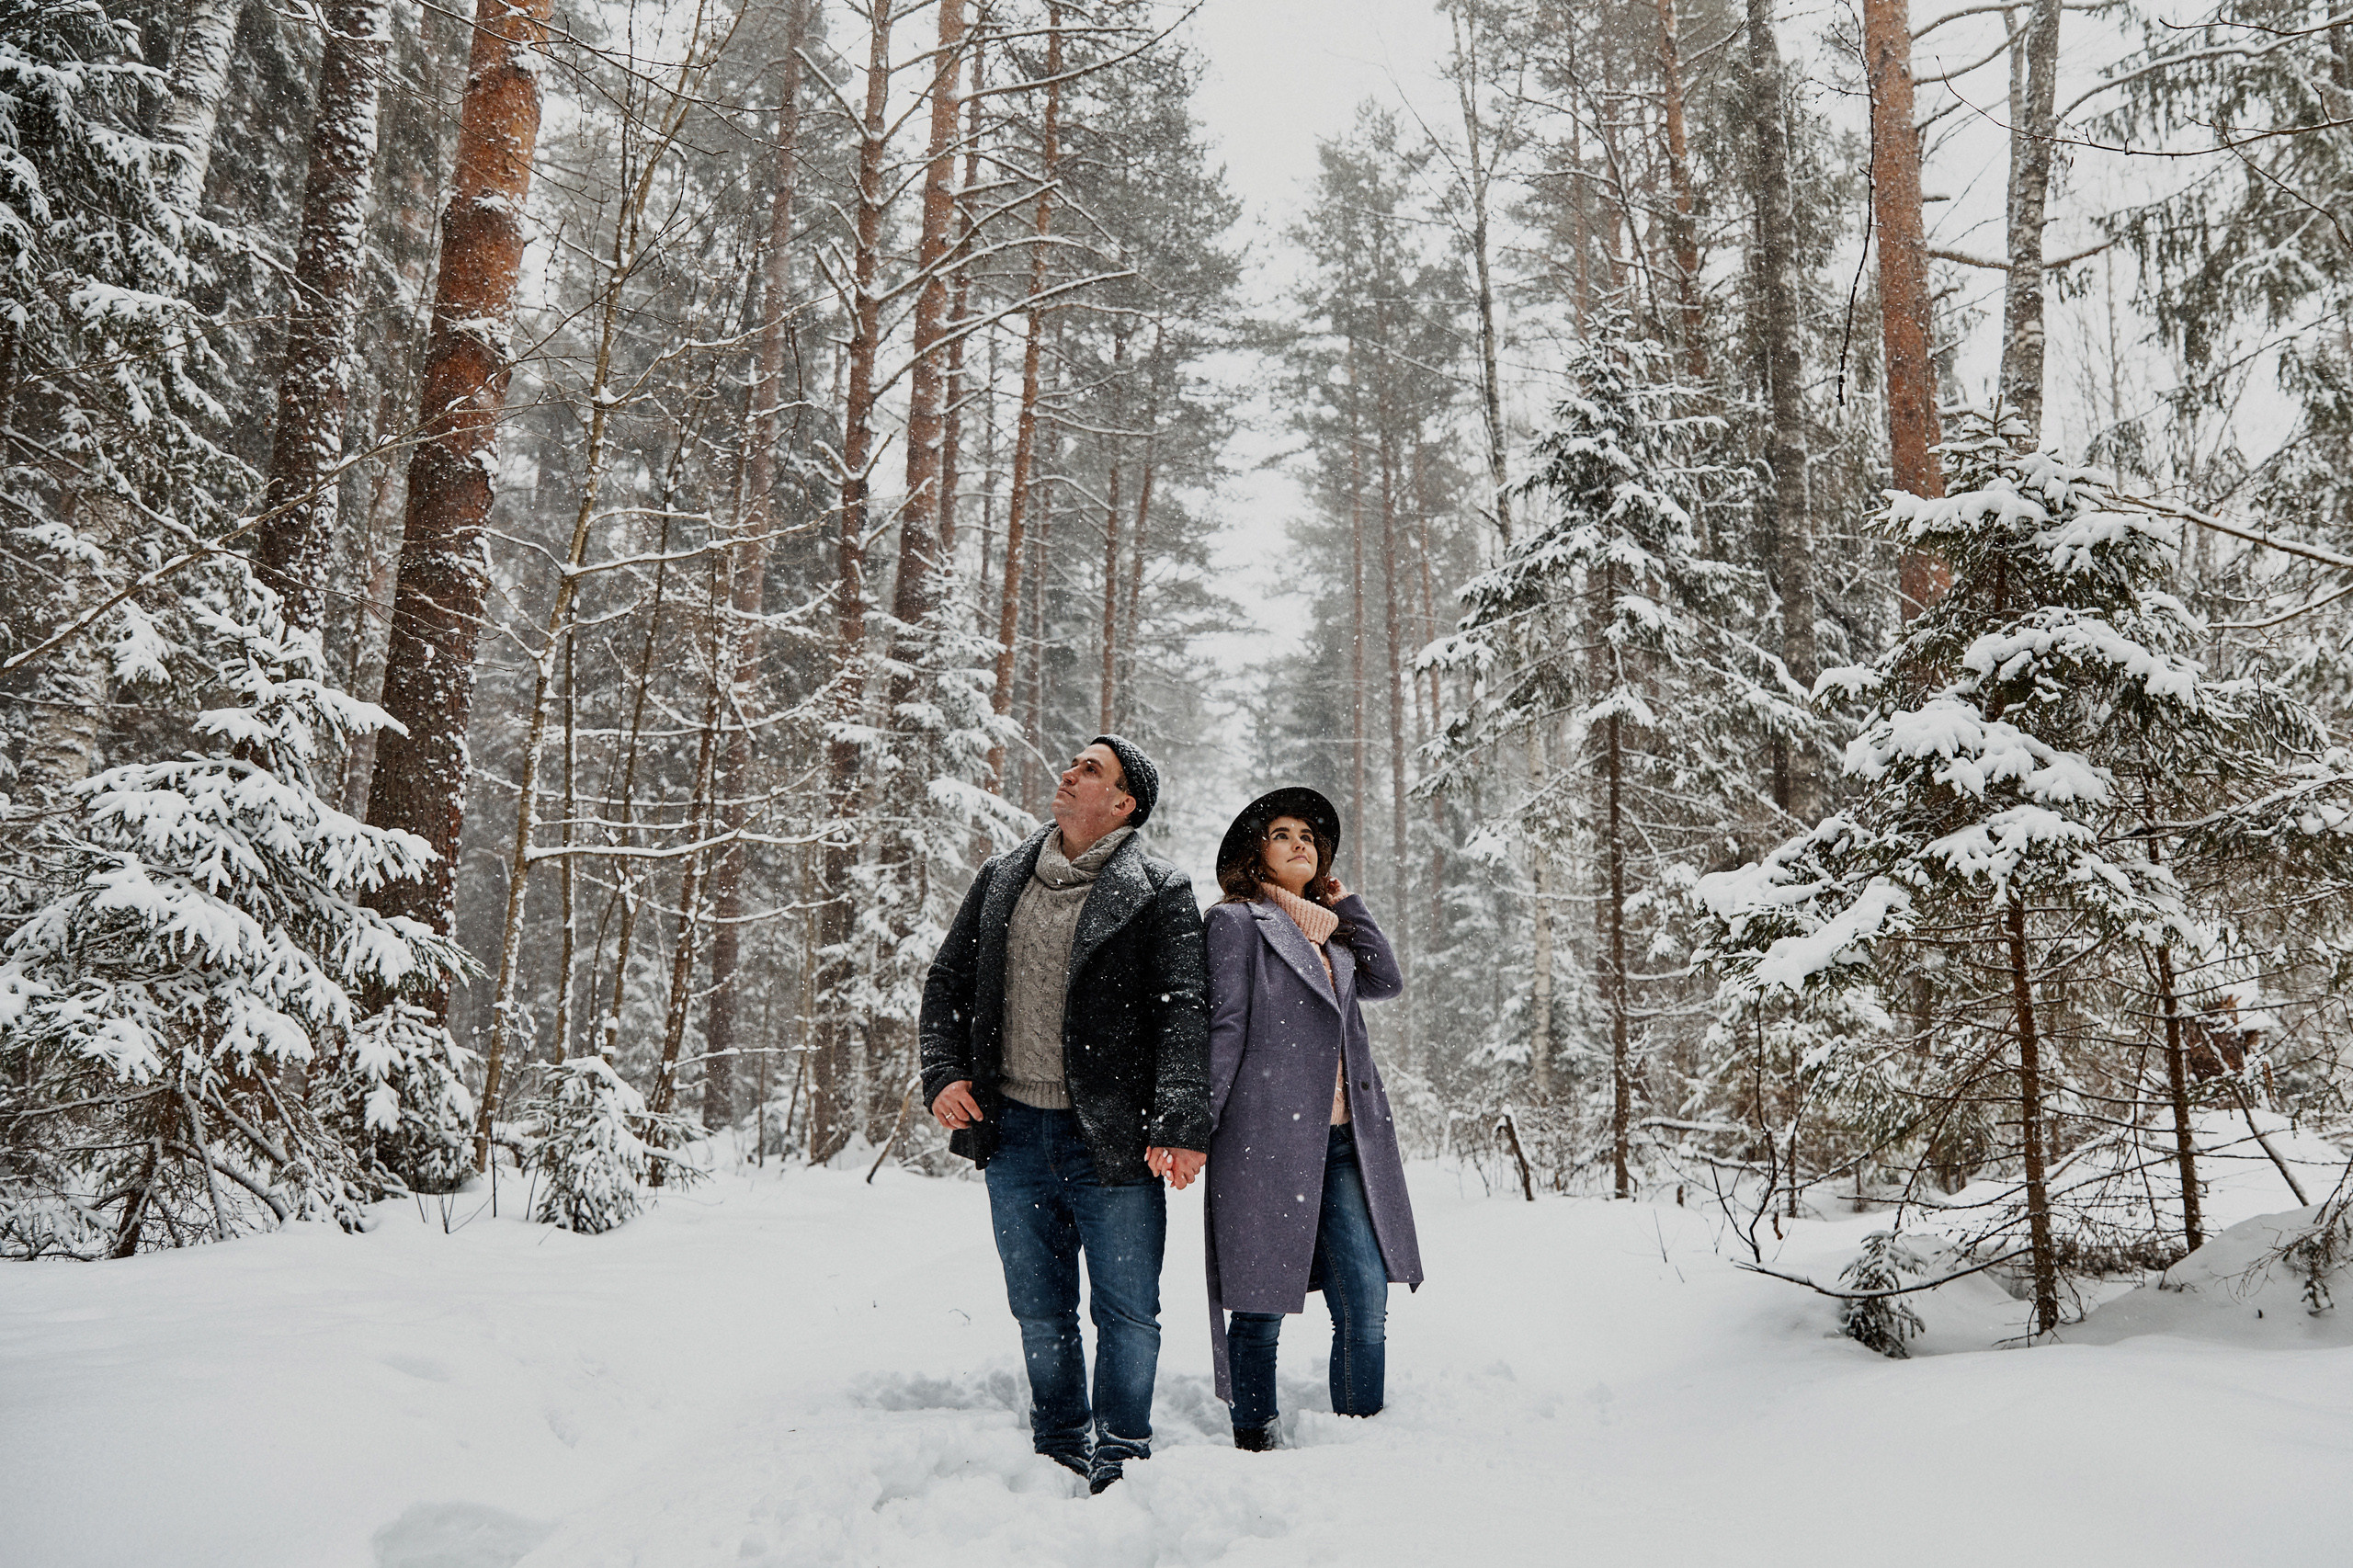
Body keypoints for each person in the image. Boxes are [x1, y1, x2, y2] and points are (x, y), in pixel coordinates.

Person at [917, 736, 1210, 1494]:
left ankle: (1122, 1451)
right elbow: (947, 981)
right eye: (1075, 762)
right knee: (1040, 1310)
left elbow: (1185, 1016)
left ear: (1123, 805)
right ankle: (1058, 1445)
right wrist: (944, 1074)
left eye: (1091, 770)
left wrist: (1178, 1125)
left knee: (1127, 1312)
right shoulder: (1002, 875)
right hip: (1012, 1132)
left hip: (1113, 1140)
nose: (1069, 773)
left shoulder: (1160, 889)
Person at [1201, 786, 1422, 1450]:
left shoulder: (1335, 938)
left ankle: (1357, 1441)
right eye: (1282, 834)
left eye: (1308, 836)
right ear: (1255, 855)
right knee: (1260, 1300)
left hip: (1346, 1142)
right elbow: (1225, 1028)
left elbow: (1388, 981)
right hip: (1263, 1142)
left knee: (1365, 1303)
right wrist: (1193, 1130)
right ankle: (1255, 1439)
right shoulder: (1236, 922)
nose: (1300, 842)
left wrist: (1346, 903)